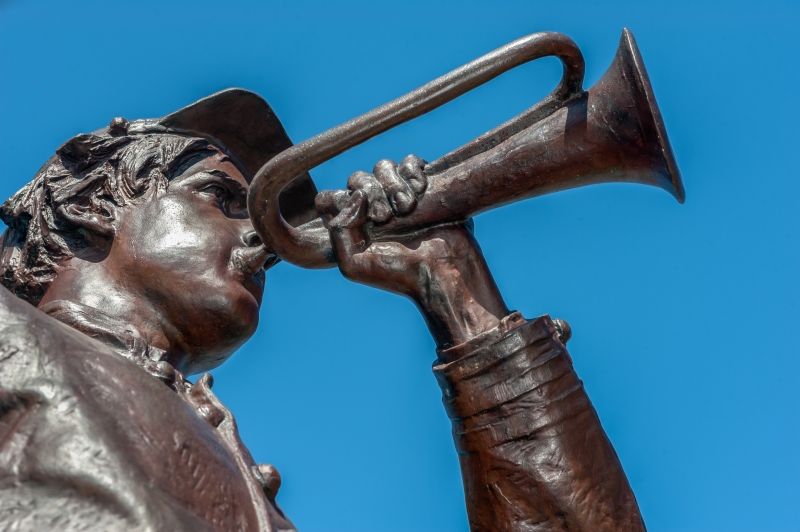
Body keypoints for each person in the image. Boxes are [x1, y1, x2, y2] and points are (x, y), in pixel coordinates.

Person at [0, 88, 645, 531]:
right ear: (88, 206)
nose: (259, 235)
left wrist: (457, 296)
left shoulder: (208, 432)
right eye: (220, 198)